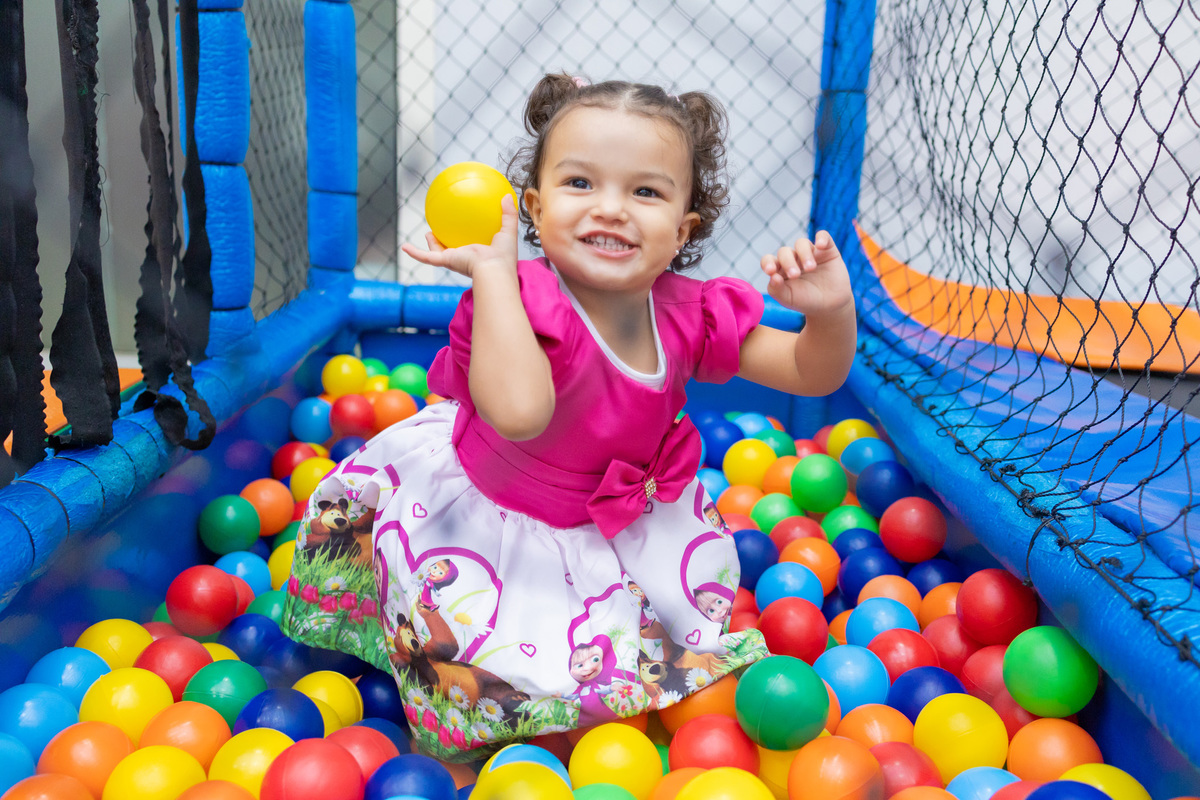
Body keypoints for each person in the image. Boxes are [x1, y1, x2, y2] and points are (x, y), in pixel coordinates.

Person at [283, 72, 857, 761]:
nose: (611, 209)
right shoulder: (514, 300)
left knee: (601, 697)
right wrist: (494, 274)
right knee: (474, 685)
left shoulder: (689, 312)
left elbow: (811, 371)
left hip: (607, 525)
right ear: (533, 205)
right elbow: (520, 413)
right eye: (580, 184)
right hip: (486, 520)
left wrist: (831, 310)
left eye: (644, 192)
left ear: (681, 230)